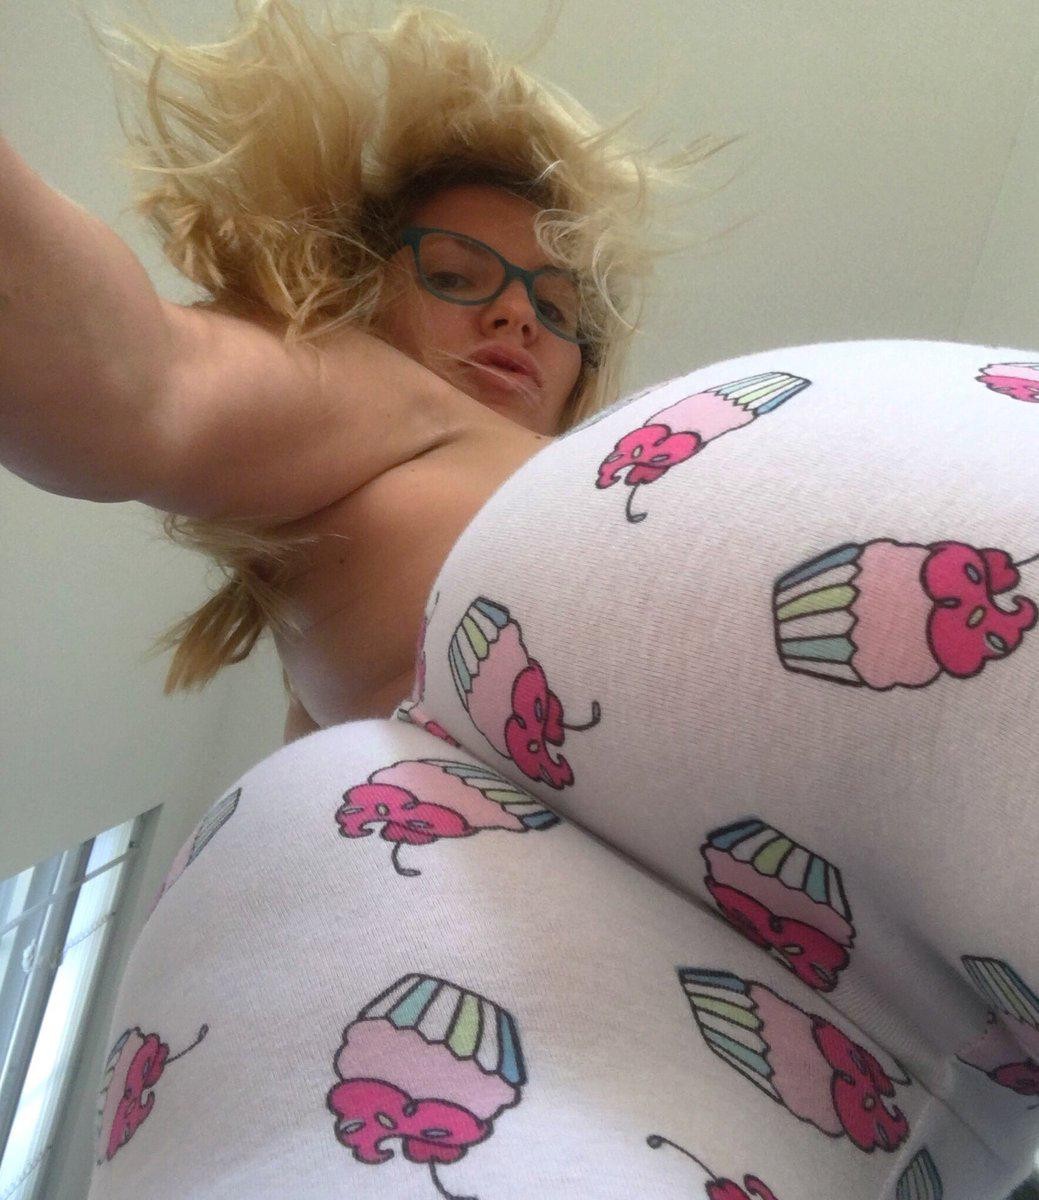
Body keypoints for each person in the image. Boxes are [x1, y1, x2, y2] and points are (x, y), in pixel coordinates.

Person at [3, 3, 1038, 1198]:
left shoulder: (481, 457)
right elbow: (131, 373)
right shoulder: (361, 407)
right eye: (456, 276)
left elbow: (138, 385)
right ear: (347, 298)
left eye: (559, 311)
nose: (515, 316)